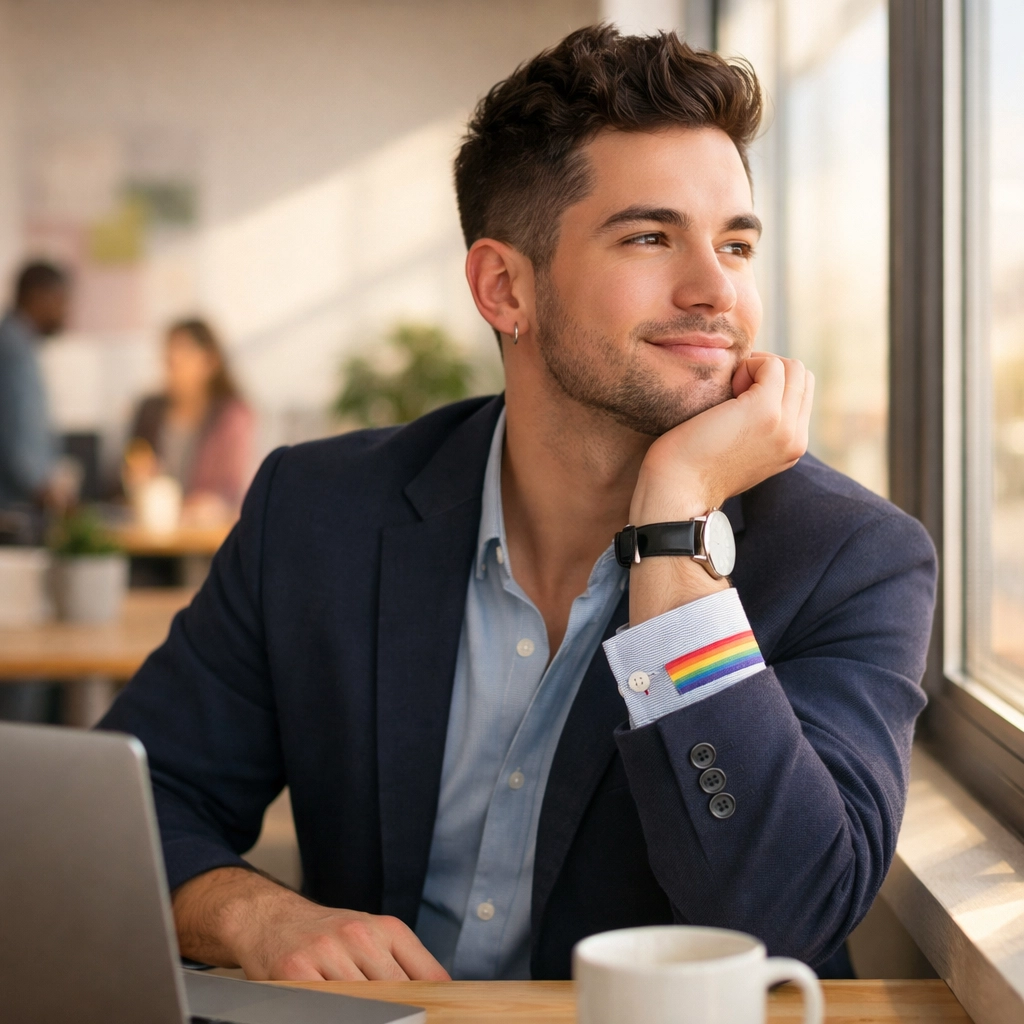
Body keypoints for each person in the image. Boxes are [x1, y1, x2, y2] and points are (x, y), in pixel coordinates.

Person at [101, 27, 936, 984]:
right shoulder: (317, 511)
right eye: (650, 237)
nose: (717, 290)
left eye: (737, 243)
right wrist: (256, 918)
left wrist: (673, 524)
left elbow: (785, 916)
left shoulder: (852, 556)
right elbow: (135, 802)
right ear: (505, 287)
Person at [123, 317, 254, 521]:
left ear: (210, 362)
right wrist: (136, 480)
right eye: (169, 355)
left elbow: (232, 489)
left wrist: (208, 505)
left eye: (184, 353)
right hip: (153, 531)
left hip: (205, 534)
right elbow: (122, 474)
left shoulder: (232, 416)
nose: (173, 362)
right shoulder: (149, 410)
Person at [0, 260, 75, 519]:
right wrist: (44, 489)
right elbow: (17, 432)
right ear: (38, 296)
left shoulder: (16, 342)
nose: (66, 311)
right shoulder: (14, 350)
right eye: (61, 299)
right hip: (14, 507)